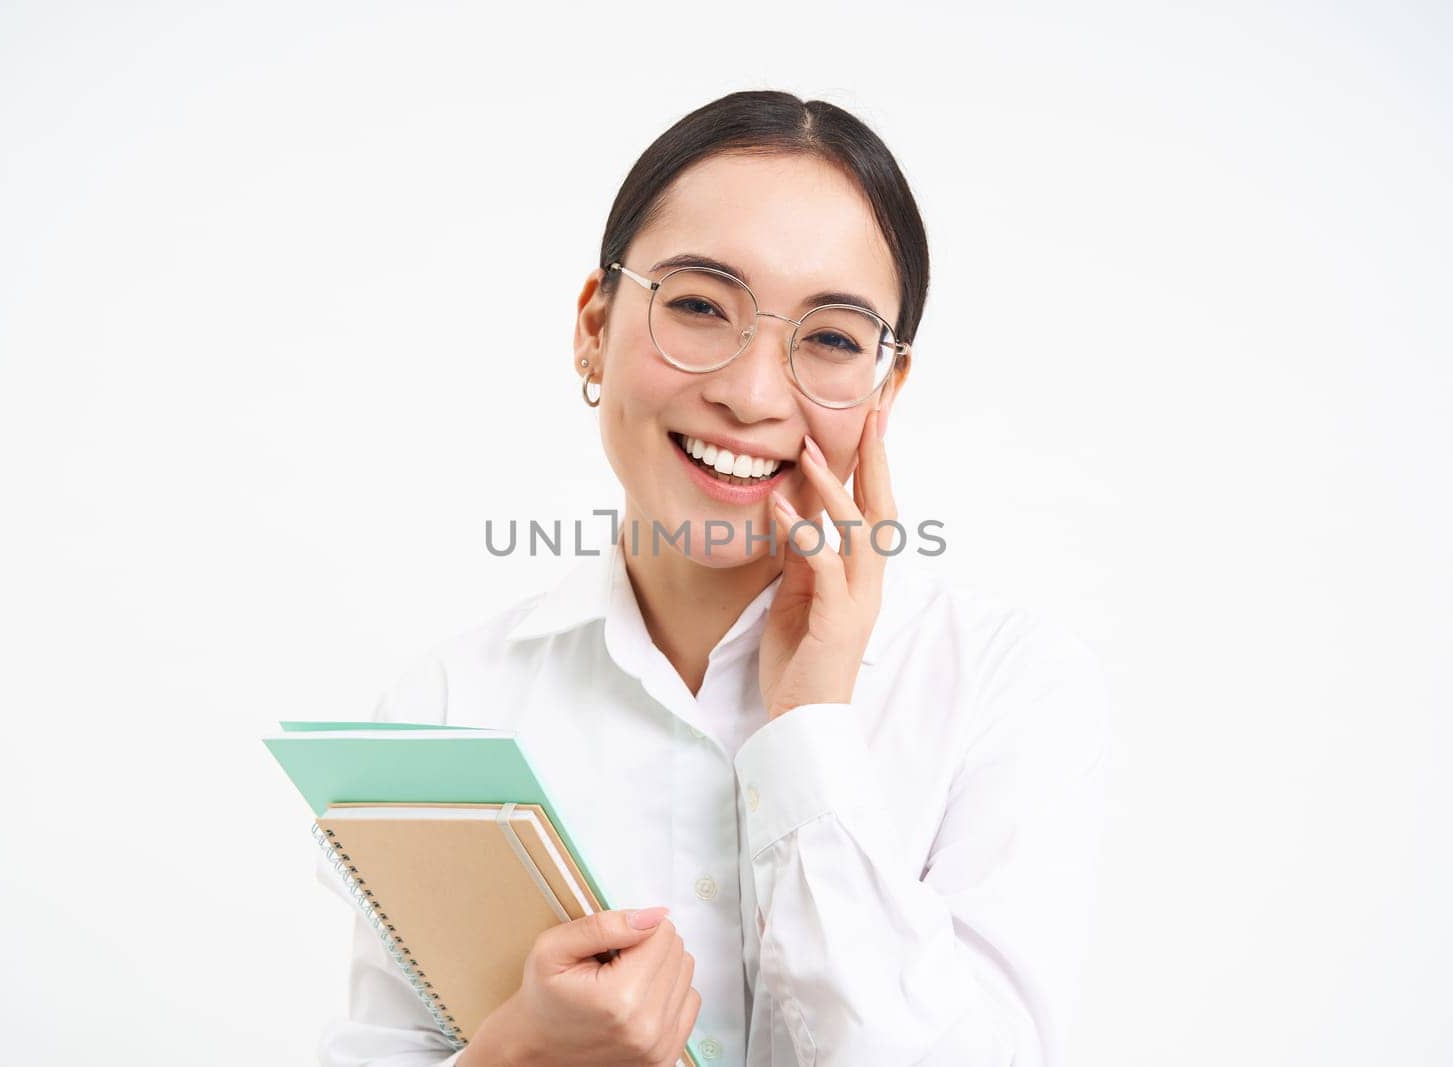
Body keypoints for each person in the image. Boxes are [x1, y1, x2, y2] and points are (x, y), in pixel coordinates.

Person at [315, 90, 1110, 1067]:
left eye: (829, 338)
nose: (751, 392)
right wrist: (513, 1053)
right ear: (593, 327)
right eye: (698, 305)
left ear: (883, 390)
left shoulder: (1007, 688)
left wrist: (810, 726)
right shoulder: (448, 704)